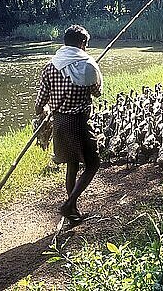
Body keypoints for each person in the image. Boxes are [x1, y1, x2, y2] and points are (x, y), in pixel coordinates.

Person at [35, 25, 103, 222]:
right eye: (86, 45)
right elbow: (97, 92)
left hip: (59, 123)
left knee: (72, 164)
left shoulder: (50, 66)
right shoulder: (88, 66)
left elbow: (39, 104)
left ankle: (72, 210)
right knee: (93, 163)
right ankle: (68, 204)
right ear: (82, 44)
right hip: (80, 122)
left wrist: (45, 112)